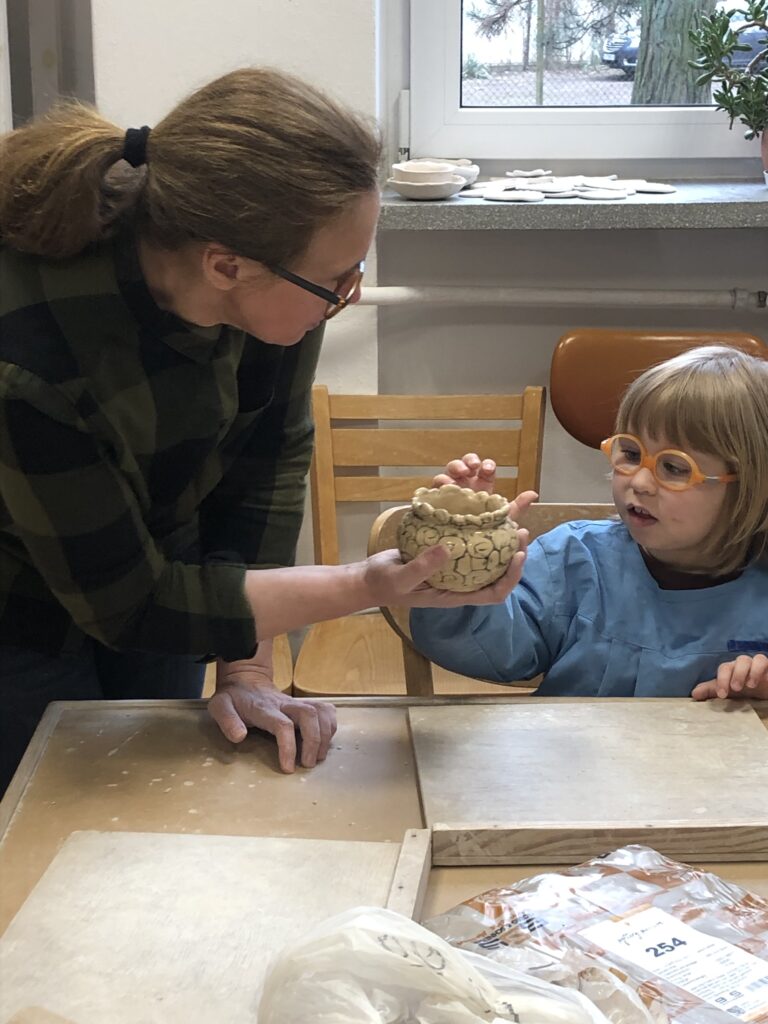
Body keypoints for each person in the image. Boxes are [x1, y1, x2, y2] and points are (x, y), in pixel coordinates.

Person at [0, 68, 528, 794]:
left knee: (153, 788)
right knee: (50, 807)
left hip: (161, 565)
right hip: (19, 600)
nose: (350, 295)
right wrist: (364, 584)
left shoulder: (273, 289)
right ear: (226, 265)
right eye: (336, 280)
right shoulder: (31, 356)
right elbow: (134, 606)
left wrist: (246, 668)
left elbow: (267, 464)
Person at [411, 345, 768, 700]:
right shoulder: (572, 560)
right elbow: (489, 652)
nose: (640, 482)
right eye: (631, 453)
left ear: (753, 486)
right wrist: (463, 558)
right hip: (570, 739)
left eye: (674, 468)